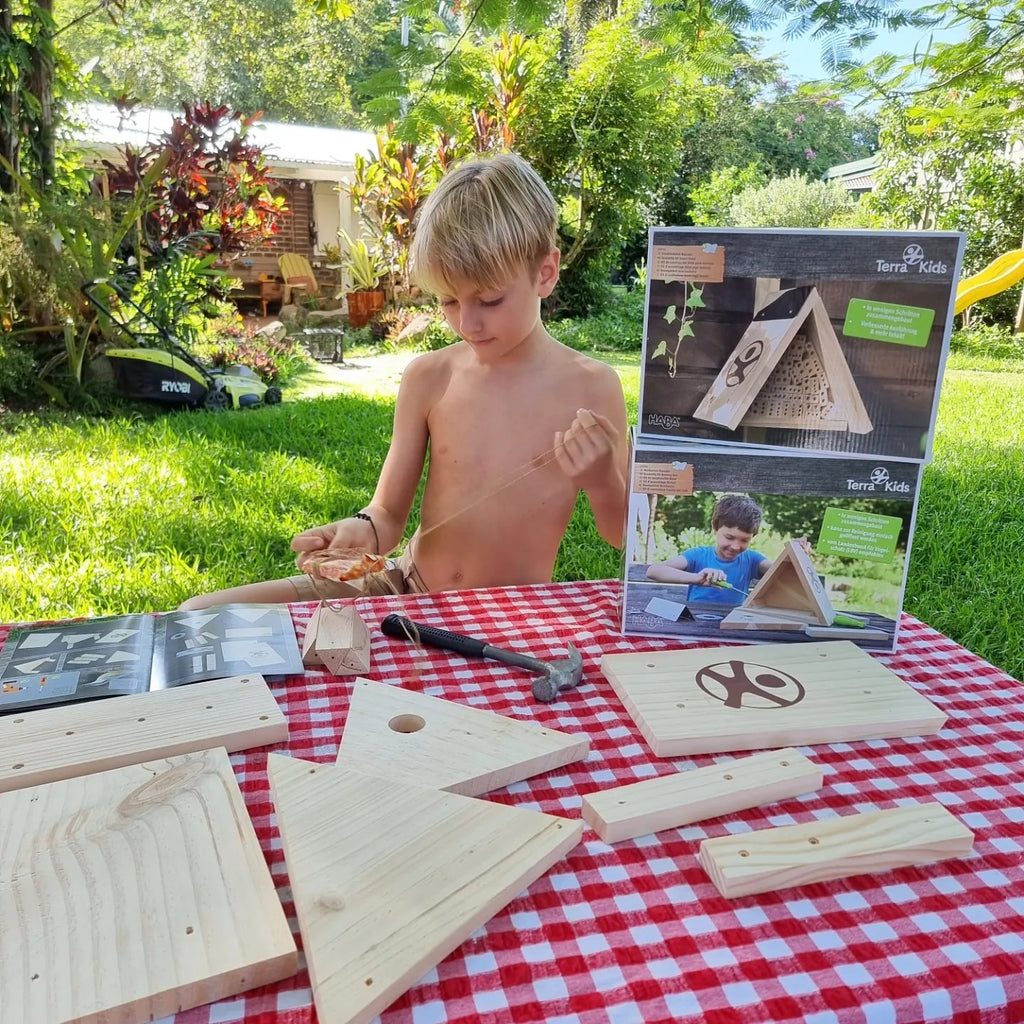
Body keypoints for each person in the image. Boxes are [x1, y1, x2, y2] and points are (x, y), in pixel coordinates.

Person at [179, 153, 629, 611]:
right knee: (200, 613)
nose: (467, 323)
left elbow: (623, 536)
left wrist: (601, 481)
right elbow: (388, 515)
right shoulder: (430, 377)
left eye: (490, 300)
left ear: (546, 273)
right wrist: (359, 528)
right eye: (449, 300)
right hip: (404, 590)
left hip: (505, 615)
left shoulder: (591, 387)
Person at [645, 494, 773, 606]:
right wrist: (695, 578)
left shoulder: (752, 559)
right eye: (729, 537)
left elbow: (781, 570)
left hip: (732, 625)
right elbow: (653, 571)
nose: (735, 546)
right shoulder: (698, 555)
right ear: (715, 528)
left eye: (744, 540)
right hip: (696, 621)